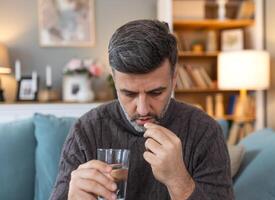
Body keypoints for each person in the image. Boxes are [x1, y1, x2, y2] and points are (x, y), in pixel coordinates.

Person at [50, 19, 234, 200]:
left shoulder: (204, 131)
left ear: (174, 78)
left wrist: (178, 181)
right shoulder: (86, 131)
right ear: (114, 81)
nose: (143, 109)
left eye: (156, 92)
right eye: (129, 94)